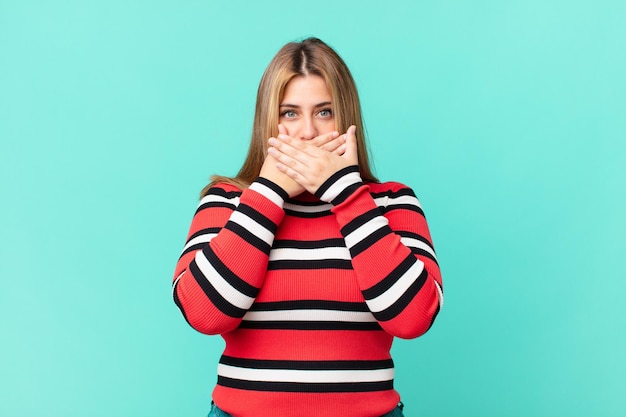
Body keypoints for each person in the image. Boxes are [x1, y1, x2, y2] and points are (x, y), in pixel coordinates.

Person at [172, 37, 443, 417]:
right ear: (269, 120)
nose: (308, 133)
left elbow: (413, 317)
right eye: (289, 113)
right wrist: (268, 192)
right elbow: (204, 313)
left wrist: (347, 194)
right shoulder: (227, 201)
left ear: (345, 118)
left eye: (324, 112)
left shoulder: (391, 203)